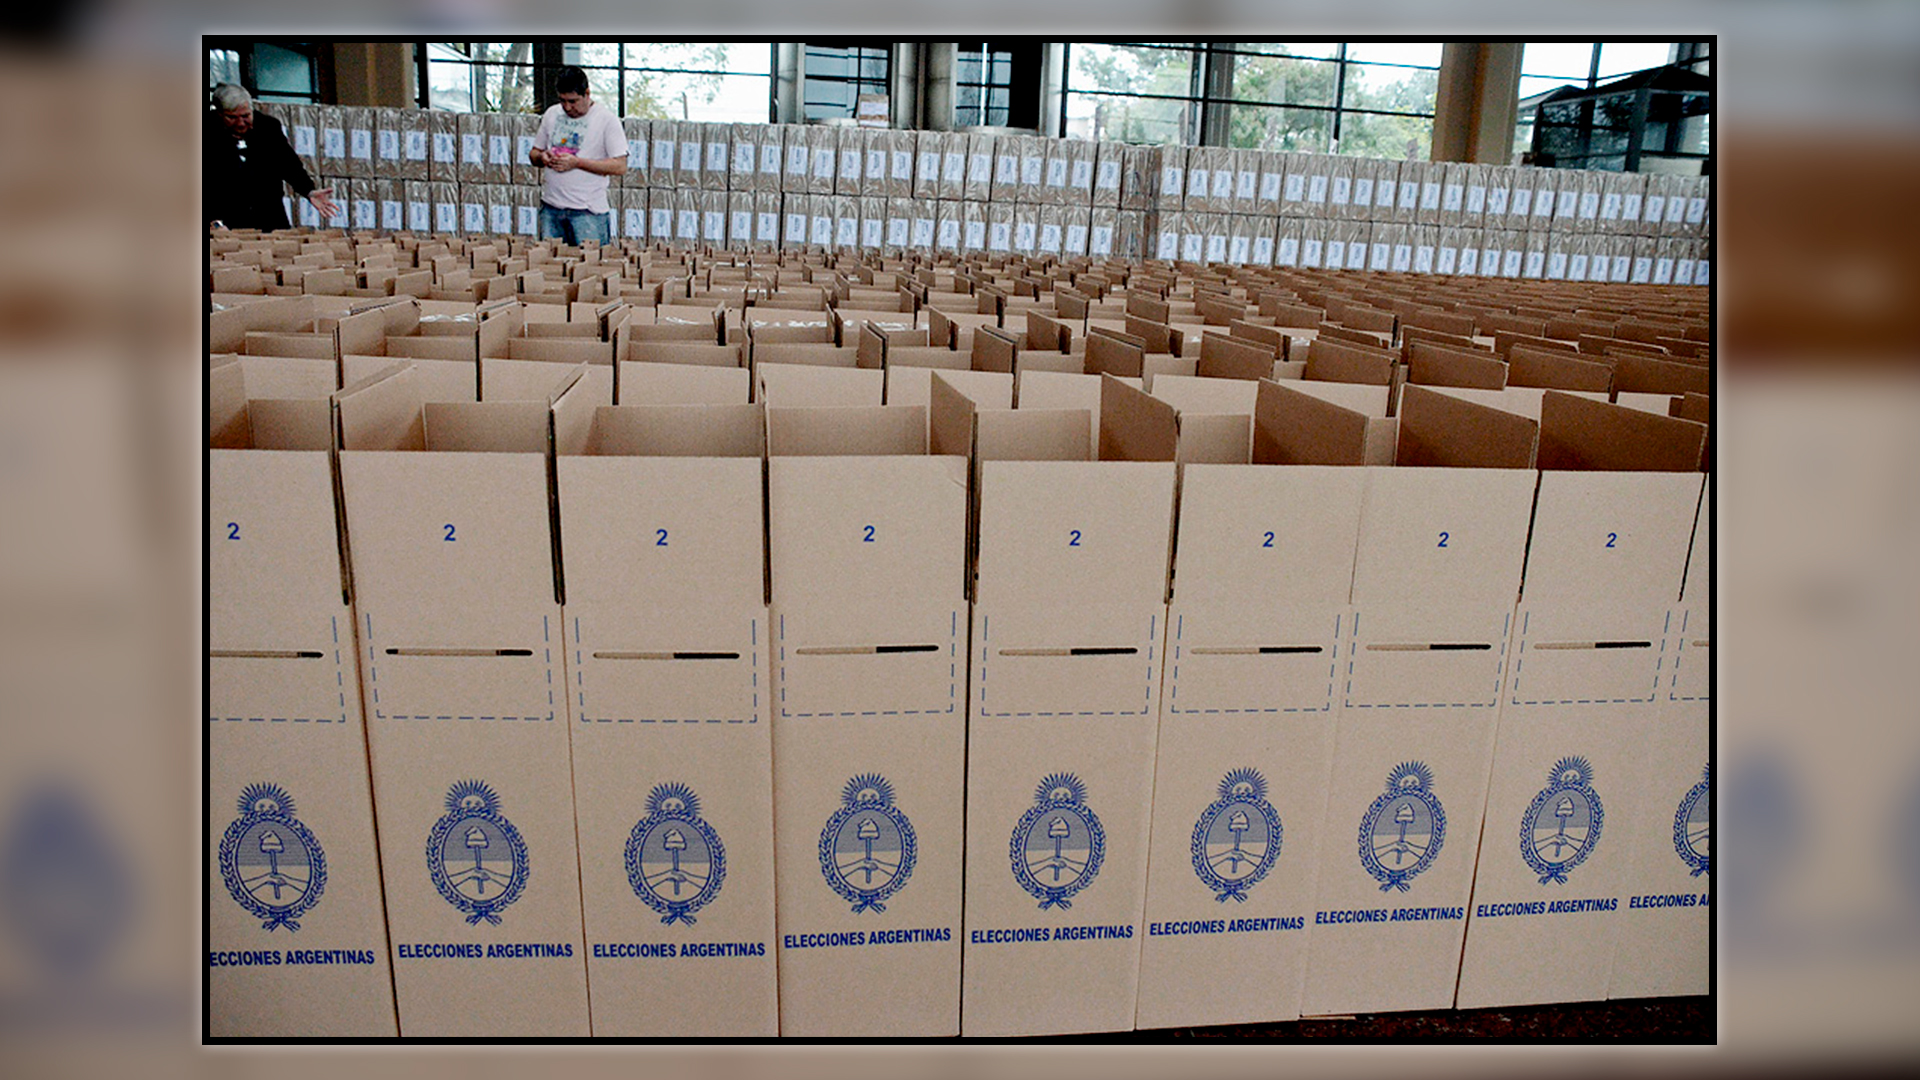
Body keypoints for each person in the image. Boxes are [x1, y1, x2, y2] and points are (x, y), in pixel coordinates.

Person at [204, 83, 338, 231]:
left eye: (246, 116)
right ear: (219, 114)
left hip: (269, 215)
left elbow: (289, 163)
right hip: (226, 218)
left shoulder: (268, 127)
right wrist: (213, 220)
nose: (241, 123)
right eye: (232, 118)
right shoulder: (206, 131)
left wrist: (309, 191)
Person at [529, 66, 627, 245]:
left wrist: (577, 163)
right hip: (551, 208)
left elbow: (620, 166)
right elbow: (534, 153)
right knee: (548, 261)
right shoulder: (552, 114)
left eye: (573, 101)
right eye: (562, 101)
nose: (567, 107)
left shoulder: (607, 120)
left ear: (587, 94)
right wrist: (543, 157)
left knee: (590, 261)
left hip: (588, 212)